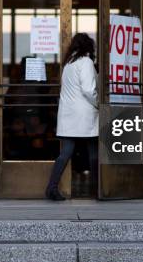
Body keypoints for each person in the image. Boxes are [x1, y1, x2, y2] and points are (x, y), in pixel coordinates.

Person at [45, 33, 98, 201]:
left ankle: (51, 187)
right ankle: (98, 188)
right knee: (93, 152)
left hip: (68, 115)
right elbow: (89, 90)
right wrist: (99, 104)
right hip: (84, 115)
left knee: (66, 152)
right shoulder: (86, 62)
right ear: (88, 47)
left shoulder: (68, 64)